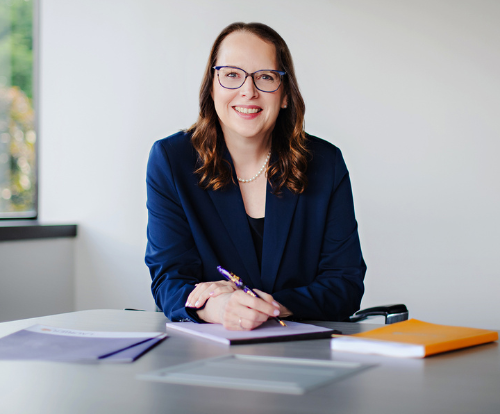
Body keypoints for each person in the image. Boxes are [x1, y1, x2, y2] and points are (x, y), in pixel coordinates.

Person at [145, 22, 366, 331]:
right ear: (212, 87)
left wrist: (268, 306)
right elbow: (169, 280)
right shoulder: (172, 160)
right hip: (204, 354)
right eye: (232, 75)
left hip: (302, 353)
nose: (248, 90)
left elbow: (345, 284)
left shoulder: (325, 164)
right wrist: (218, 307)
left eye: (265, 77)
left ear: (285, 95)